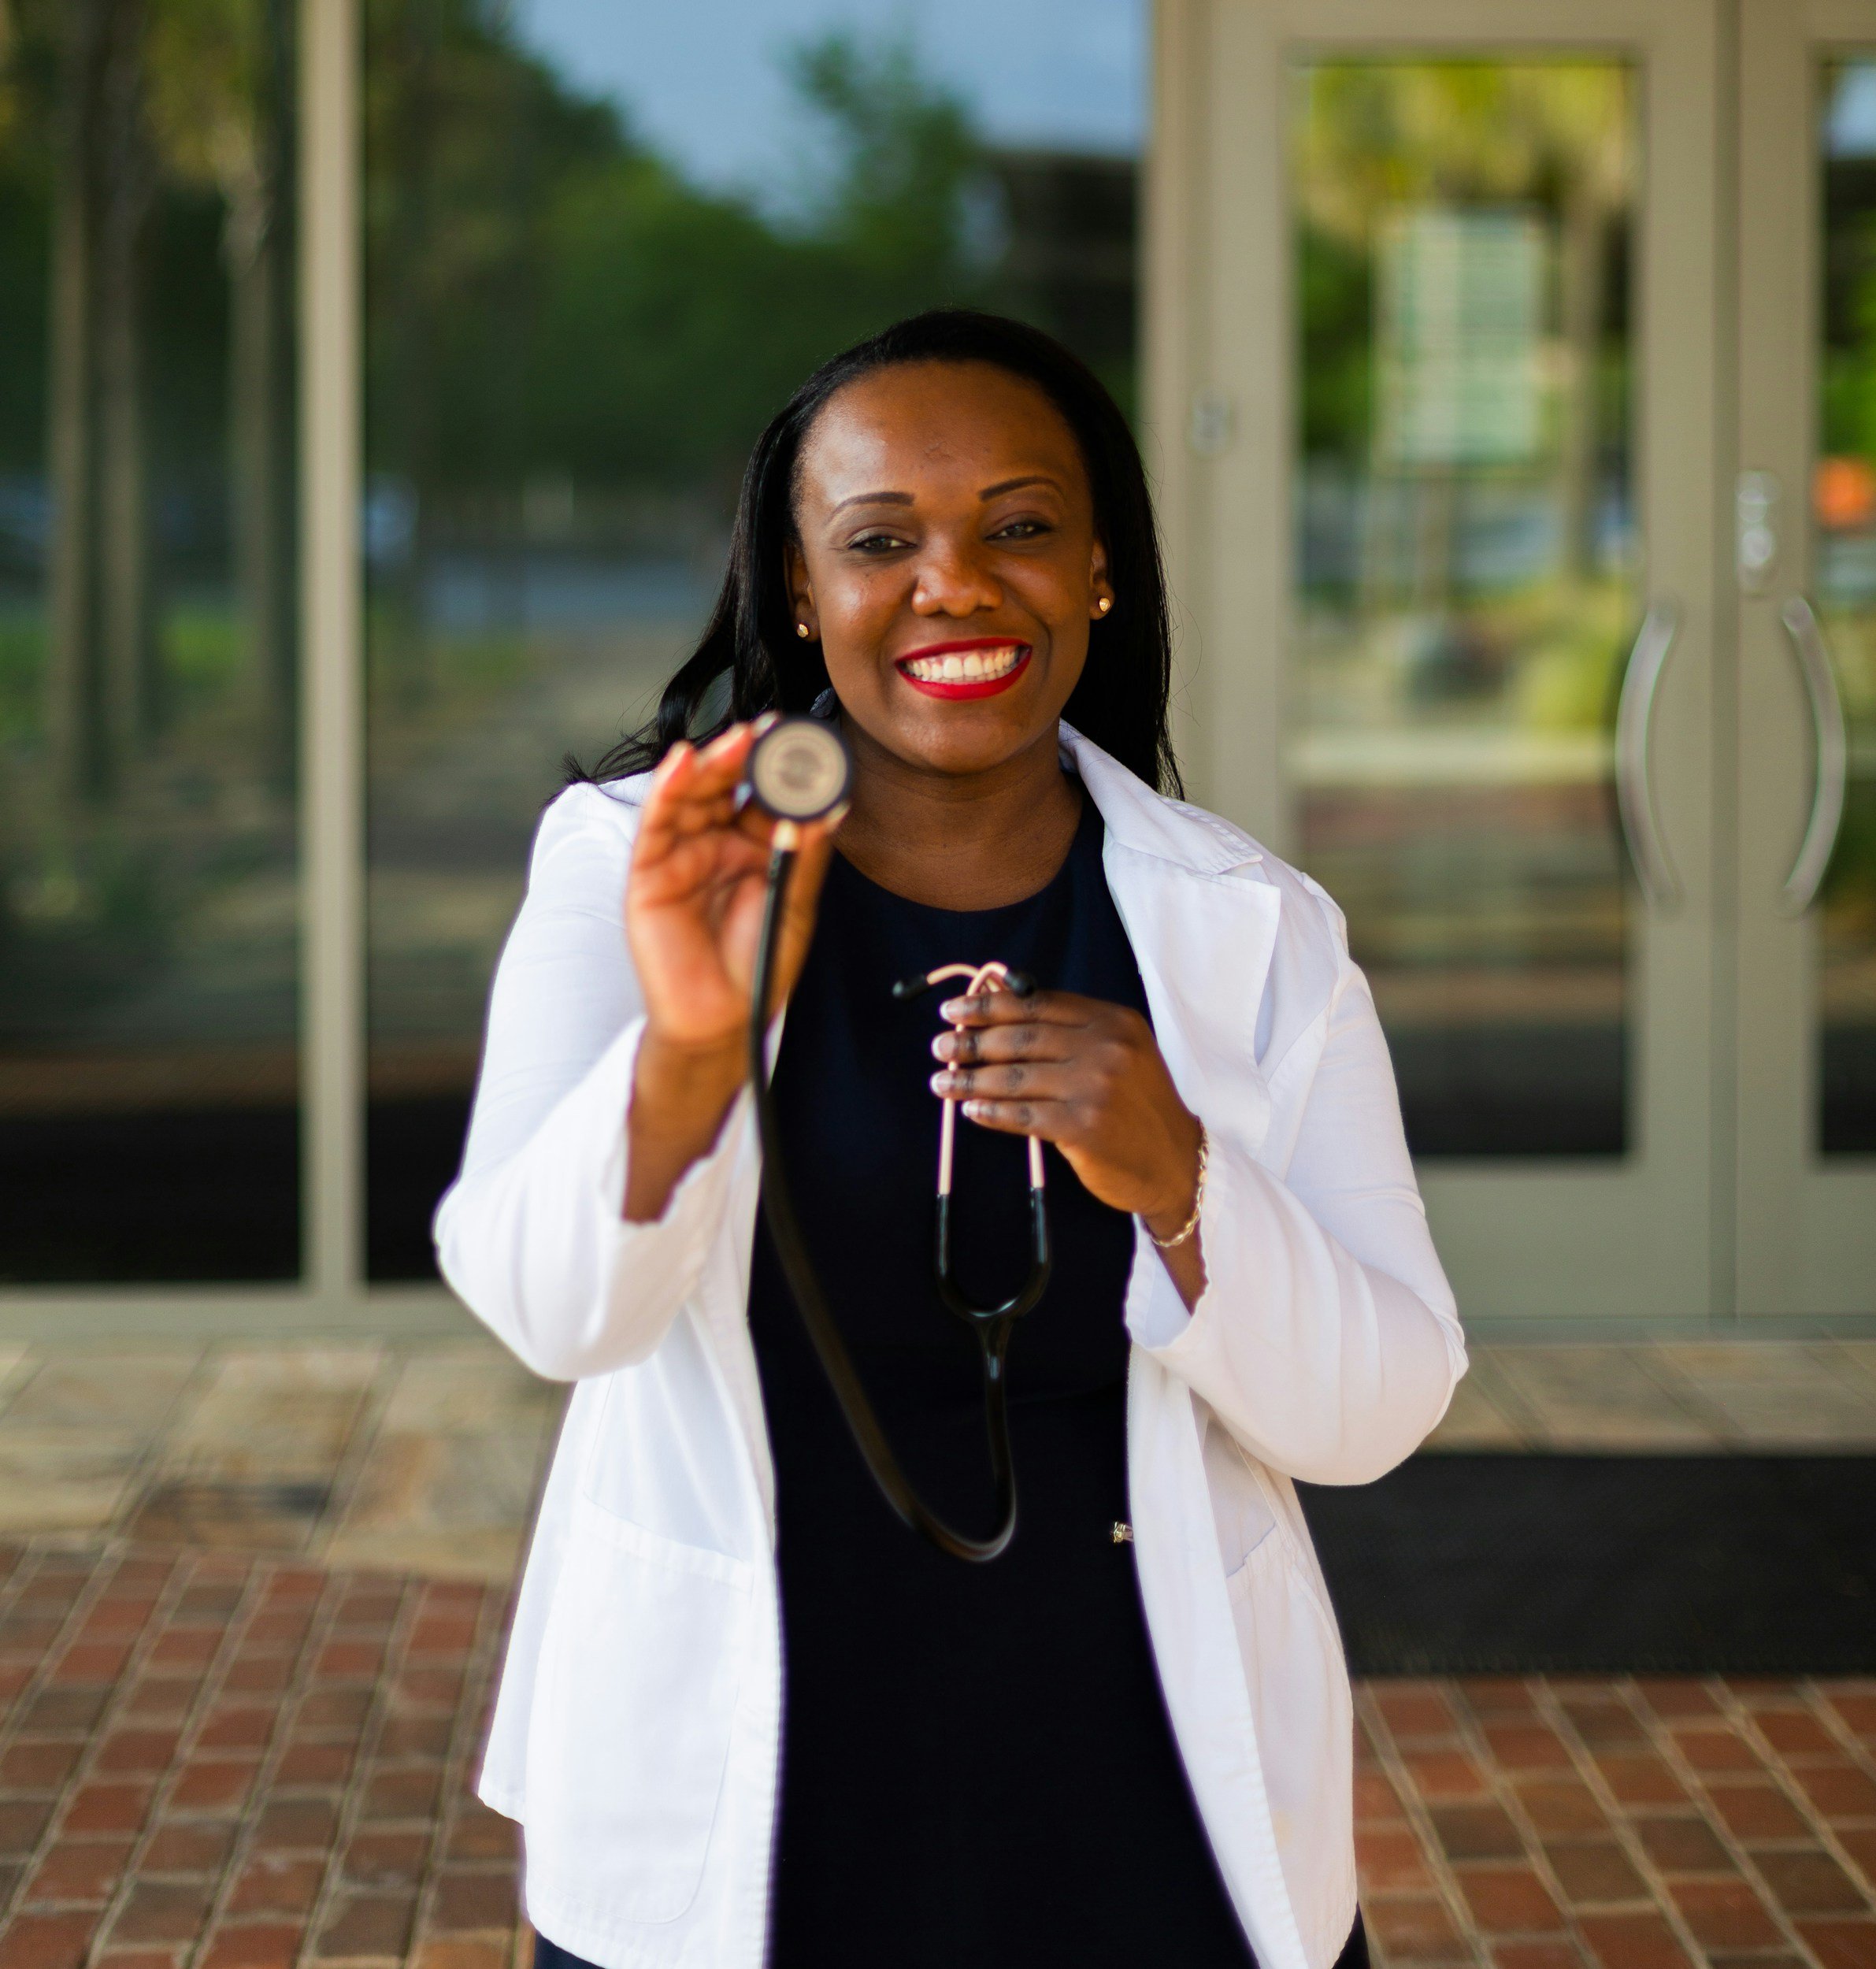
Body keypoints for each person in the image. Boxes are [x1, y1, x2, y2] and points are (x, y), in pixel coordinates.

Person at [436, 310, 1464, 1969]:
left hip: (1153, 1790)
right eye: (880, 540)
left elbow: (1378, 1406)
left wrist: (1182, 1180)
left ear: (1103, 570)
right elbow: (555, 1309)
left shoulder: (1252, 928)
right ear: (796, 588)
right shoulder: (629, 862)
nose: (957, 583)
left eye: (1021, 526)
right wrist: (695, 1046)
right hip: (742, 1794)